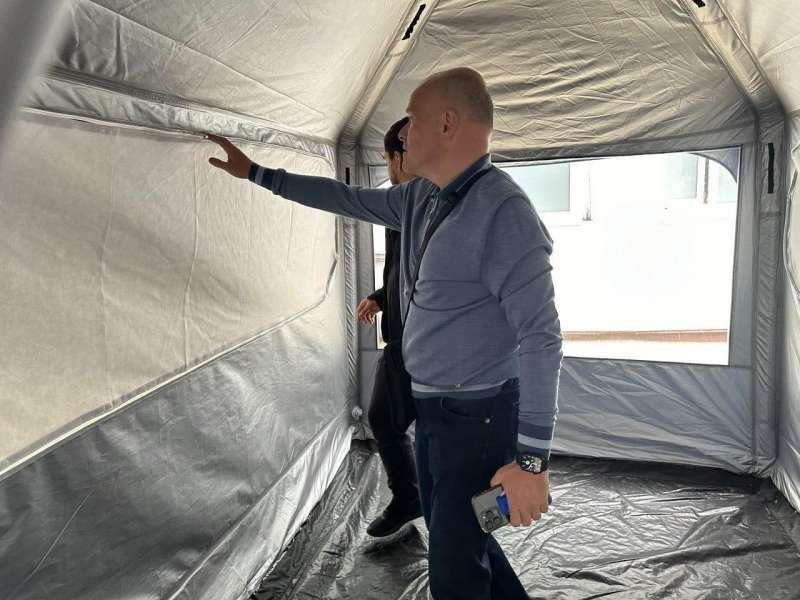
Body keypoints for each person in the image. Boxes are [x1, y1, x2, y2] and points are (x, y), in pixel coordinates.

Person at [206, 66, 562, 600]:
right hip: (435, 409)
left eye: (412, 121)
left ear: (447, 123)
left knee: (455, 560)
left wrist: (531, 462)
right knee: (464, 533)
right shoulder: (420, 198)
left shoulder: (503, 212)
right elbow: (343, 198)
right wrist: (257, 173)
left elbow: (542, 338)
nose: (403, 135)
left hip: (480, 418)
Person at [354, 116, 424, 538]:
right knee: (383, 417)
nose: (387, 169)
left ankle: (432, 505)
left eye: (385, 160)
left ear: (400, 157)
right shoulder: (398, 206)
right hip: (400, 339)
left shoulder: (434, 204)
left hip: (428, 345)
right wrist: (380, 297)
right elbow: (403, 271)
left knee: (431, 435)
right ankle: (410, 497)